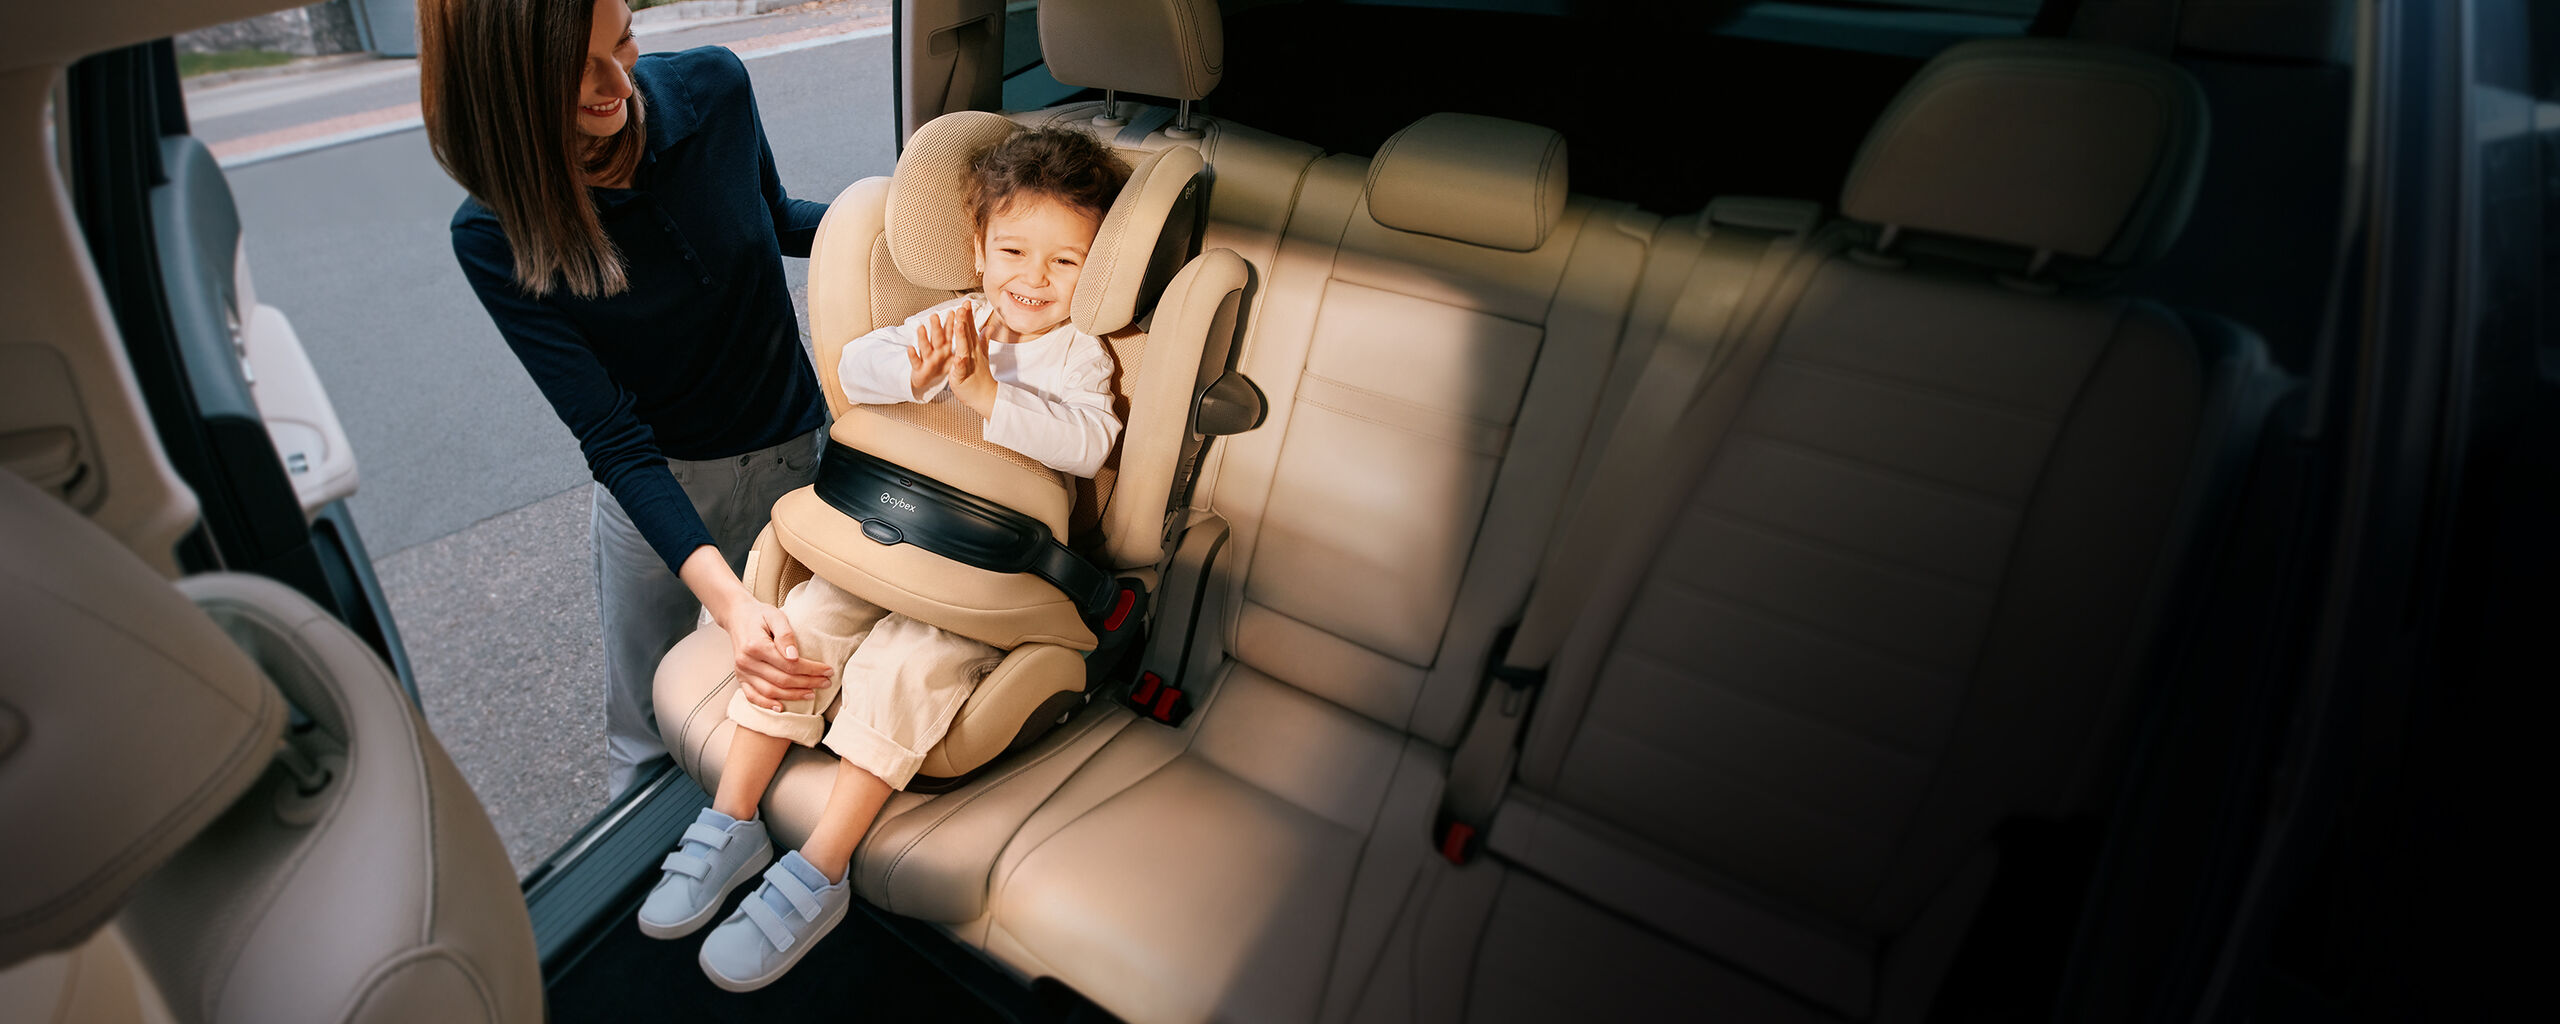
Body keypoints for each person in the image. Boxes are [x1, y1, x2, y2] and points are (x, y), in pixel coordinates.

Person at [634, 127, 1129, 993]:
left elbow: (1088, 444)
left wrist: (988, 395)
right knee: (805, 628)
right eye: (1013, 251)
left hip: (987, 575)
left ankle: (821, 869)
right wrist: (920, 367)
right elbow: (857, 368)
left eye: (1066, 263)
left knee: (910, 665)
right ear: (978, 250)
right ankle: (732, 818)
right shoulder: (956, 320)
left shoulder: (1077, 357)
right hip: (888, 543)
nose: (1033, 280)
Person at [420, 0, 837, 796]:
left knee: (794, 695)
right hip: (658, 493)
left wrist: (914, 221)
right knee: (647, 734)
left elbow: (775, 218)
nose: (621, 81)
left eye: (627, 41)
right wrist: (725, 599)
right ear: (507, 84)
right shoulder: (492, 230)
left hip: (794, 453)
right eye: (582, 67)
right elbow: (612, 436)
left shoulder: (715, 86)